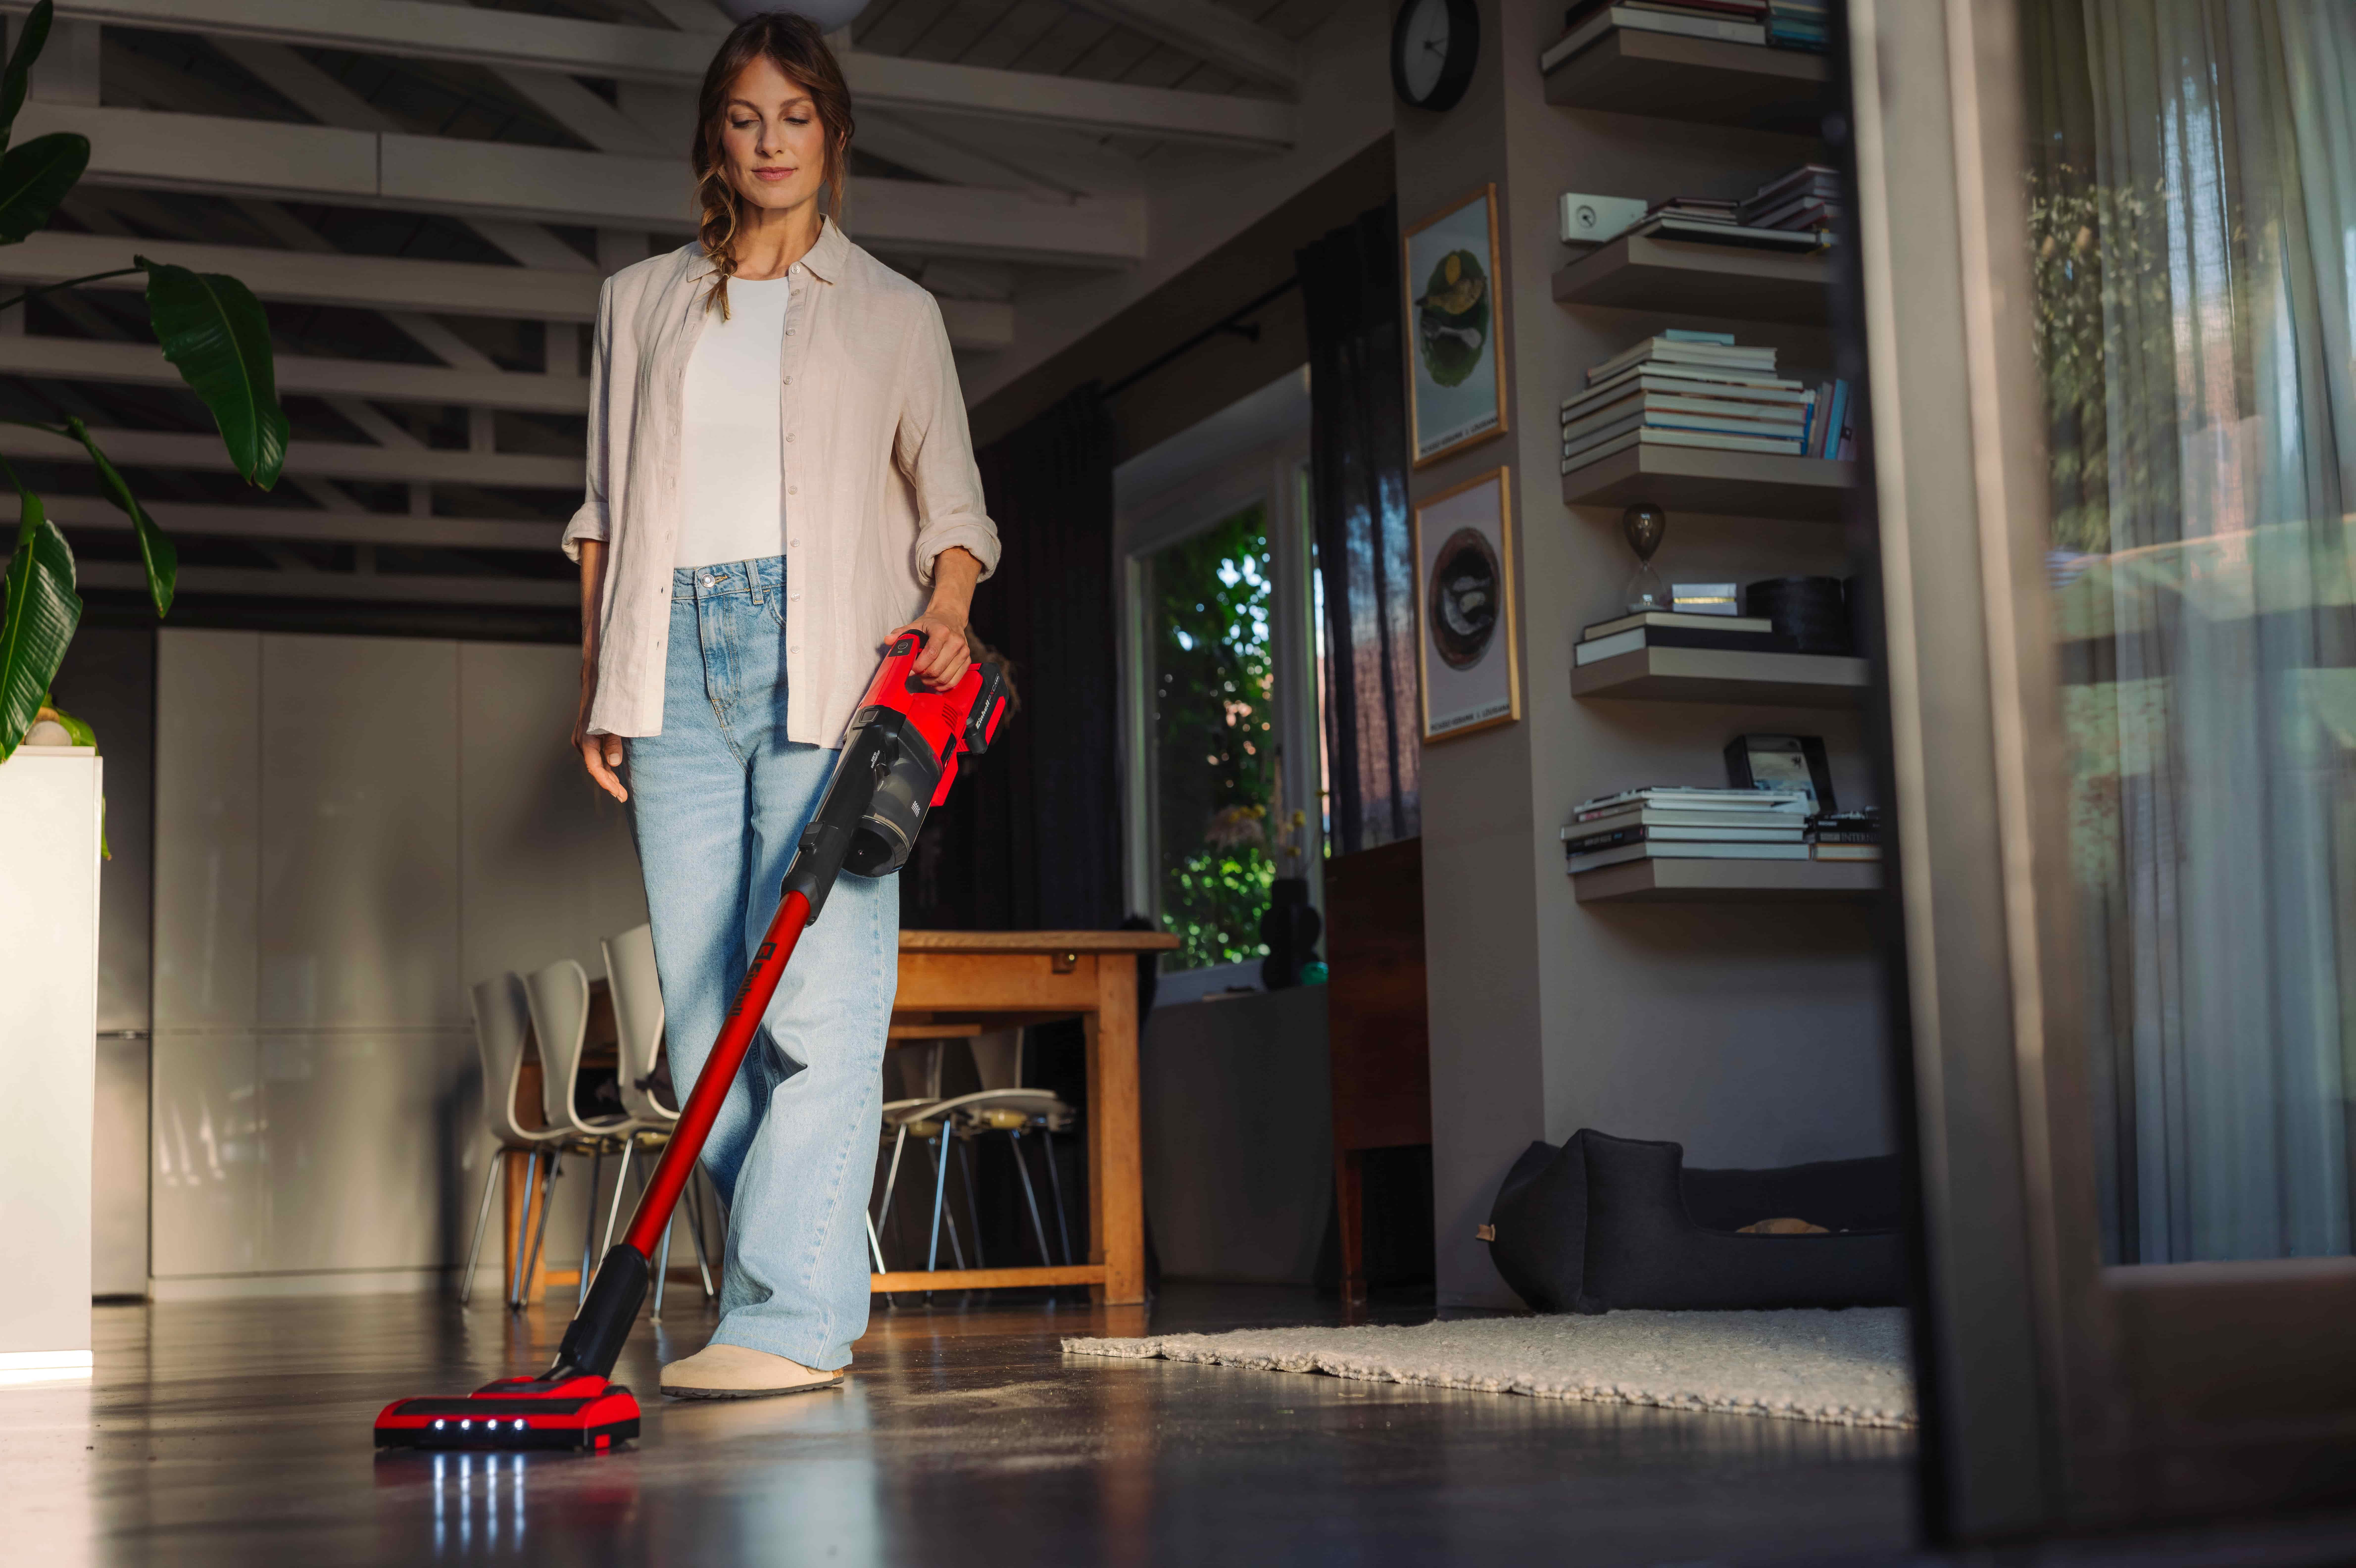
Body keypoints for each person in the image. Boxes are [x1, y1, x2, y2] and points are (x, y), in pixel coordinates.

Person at [562, 11, 998, 1400]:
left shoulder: (896, 313)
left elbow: (957, 510)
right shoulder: (639, 303)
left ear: (834, 133)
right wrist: (600, 683)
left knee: (814, 1003)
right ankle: (787, 1286)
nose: (770, 143)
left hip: (830, 668)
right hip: (672, 663)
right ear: (716, 135)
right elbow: (603, 515)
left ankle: (791, 1316)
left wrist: (948, 610)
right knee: (703, 1032)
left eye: (795, 118)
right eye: (746, 119)